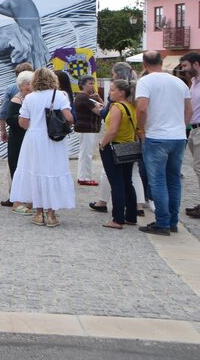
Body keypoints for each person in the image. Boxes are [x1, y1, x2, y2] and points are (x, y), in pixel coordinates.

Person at [10, 68, 76, 227]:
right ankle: (51, 214)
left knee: (36, 172)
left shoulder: (30, 98)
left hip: (34, 138)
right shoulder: (60, 95)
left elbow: (23, 122)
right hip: (53, 139)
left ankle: (39, 213)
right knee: (53, 171)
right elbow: (69, 118)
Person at [135, 50, 192, 235]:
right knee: (174, 180)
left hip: (157, 136)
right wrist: (179, 127)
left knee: (157, 181)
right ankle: (172, 221)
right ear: (162, 62)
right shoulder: (179, 82)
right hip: (178, 136)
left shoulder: (145, 81)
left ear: (144, 64)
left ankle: (162, 223)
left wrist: (140, 128)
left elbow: (142, 108)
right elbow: (189, 111)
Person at [97, 80, 139, 230]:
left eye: (112, 90)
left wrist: (102, 144)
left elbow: (113, 130)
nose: (110, 92)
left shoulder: (117, 107)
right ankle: (131, 215)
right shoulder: (131, 106)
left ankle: (118, 218)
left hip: (115, 146)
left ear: (121, 92)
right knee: (127, 182)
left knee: (117, 183)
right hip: (129, 146)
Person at [5, 71, 33, 213]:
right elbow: (9, 118)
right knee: (17, 167)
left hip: (28, 138)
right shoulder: (17, 100)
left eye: (31, 83)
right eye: (27, 84)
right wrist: (25, 120)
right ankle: (17, 201)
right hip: (18, 138)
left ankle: (27, 199)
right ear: (21, 86)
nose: (29, 86)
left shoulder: (32, 98)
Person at [179, 53, 200, 220]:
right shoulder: (193, 83)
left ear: (196, 65)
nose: (182, 69)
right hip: (193, 129)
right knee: (197, 167)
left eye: (185, 66)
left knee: (199, 168)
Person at [74, 76, 105, 186]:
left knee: (86, 153)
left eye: (93, 83)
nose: (92, 86)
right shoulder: (84, 98)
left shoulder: (86, 97)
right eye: (90, 83)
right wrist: (99, 103)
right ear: (83, 85)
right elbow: (100, 111)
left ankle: (83, 176)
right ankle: (85, 177)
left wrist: (98, 99)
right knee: (86, 154)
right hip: (87, 128)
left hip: (87, 128)